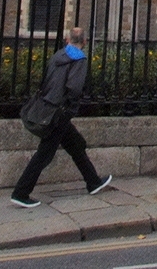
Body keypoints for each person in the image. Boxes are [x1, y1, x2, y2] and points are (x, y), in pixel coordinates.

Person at [10, 26, 113, 207]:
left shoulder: (58, 56)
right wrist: (70, 108)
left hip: (49, 107)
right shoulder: (79, 59)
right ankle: (21, 192)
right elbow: (74, 87)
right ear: (85, 42)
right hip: (59, 113)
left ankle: (93, 182)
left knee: (76, 144)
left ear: (67, 40)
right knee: (44, 154)